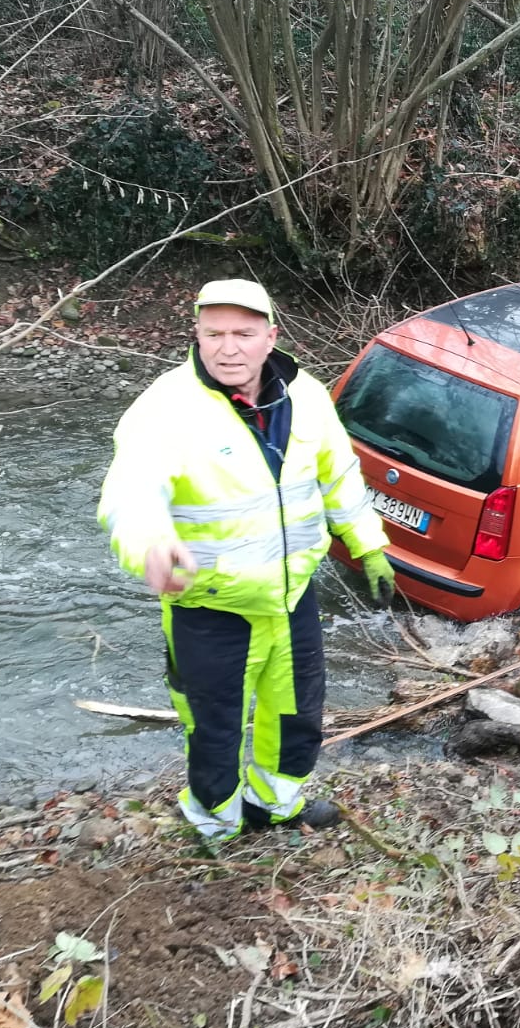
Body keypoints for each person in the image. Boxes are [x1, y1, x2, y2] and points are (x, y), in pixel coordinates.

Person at [97, 279, 395, 843]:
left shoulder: (304, 396)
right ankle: (215, 827)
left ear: (270, 338)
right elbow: (128, 495)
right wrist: (151, 544)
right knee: (213, 730)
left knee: (297, 716)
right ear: (197, 336)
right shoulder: (166, 407)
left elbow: (338, 476)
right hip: (210, 607)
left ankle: (275, 806)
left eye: (243, 333)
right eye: (214, 334)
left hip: (292, 598)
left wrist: (368, 543)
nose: (228, 347)